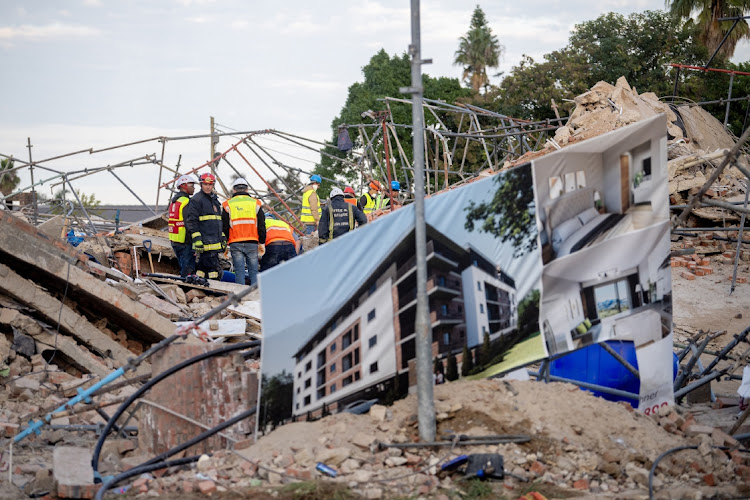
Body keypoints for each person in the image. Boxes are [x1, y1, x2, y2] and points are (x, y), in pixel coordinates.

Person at [222, 177, 265, 286]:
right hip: (252, 241)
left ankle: (240, 297)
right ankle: (256, 296)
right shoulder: (256, 203)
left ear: (234, 190)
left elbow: (225, 226)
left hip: (235, 242)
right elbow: (261, 225)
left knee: (239, 271)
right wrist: (262, 242)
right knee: (254, 271)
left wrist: (227, 242)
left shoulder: (228, 204)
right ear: (247, 190)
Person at [184, 172, 225, 280]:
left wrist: (223, 237)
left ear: (213, 185)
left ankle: (206, 288)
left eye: (210, 184)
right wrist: (197, 239)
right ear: (201, 185)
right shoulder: (196, 200)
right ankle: (210, 287)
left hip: (215, 242)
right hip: (204, 242)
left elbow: (218, 221)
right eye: (205, 184)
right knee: (210, 268)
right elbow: (191, 221)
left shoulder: (215, 200)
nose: (208, 187)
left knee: (205, 267)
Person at [167, 174, 198, 277]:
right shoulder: (186, 202)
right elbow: (189, 223)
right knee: (188, 271)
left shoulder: (174, 202)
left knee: (183, 268)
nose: (194, 188)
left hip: (175, 239)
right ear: (184, 185)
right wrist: (194, 243)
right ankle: (187, 291)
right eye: (192, 185)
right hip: (185, 241)